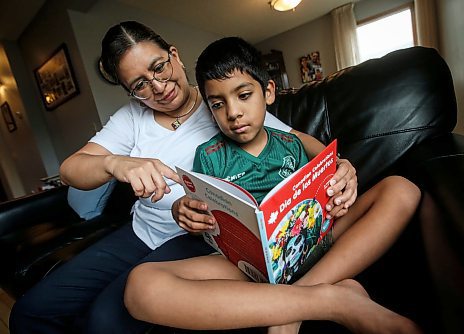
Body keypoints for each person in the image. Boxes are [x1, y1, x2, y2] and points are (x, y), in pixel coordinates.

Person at [9, 21, 356, 334]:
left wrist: (339, 163)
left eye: (160, 68)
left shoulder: (221, 101)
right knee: (29, 313)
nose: (158, 87)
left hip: (197, 237)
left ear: (174, 55)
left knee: (105, 321)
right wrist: (116, 163)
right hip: (140, 233)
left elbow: (298, 140)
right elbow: (72, 169)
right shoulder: (132, 117)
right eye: (140, 85)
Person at [124, 37, 423, 334]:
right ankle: (329, 299)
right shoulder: (208, 157)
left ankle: (296, 302)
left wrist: (338, 180)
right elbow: (208, 218)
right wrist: (186, 212)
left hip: (313, 242)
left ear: (267, 92)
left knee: (402, 189)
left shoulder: (292, 143)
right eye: (218, 104)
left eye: (243, 95)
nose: (233, 112)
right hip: (247, 266)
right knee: (141, 286)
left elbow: (325, 187)